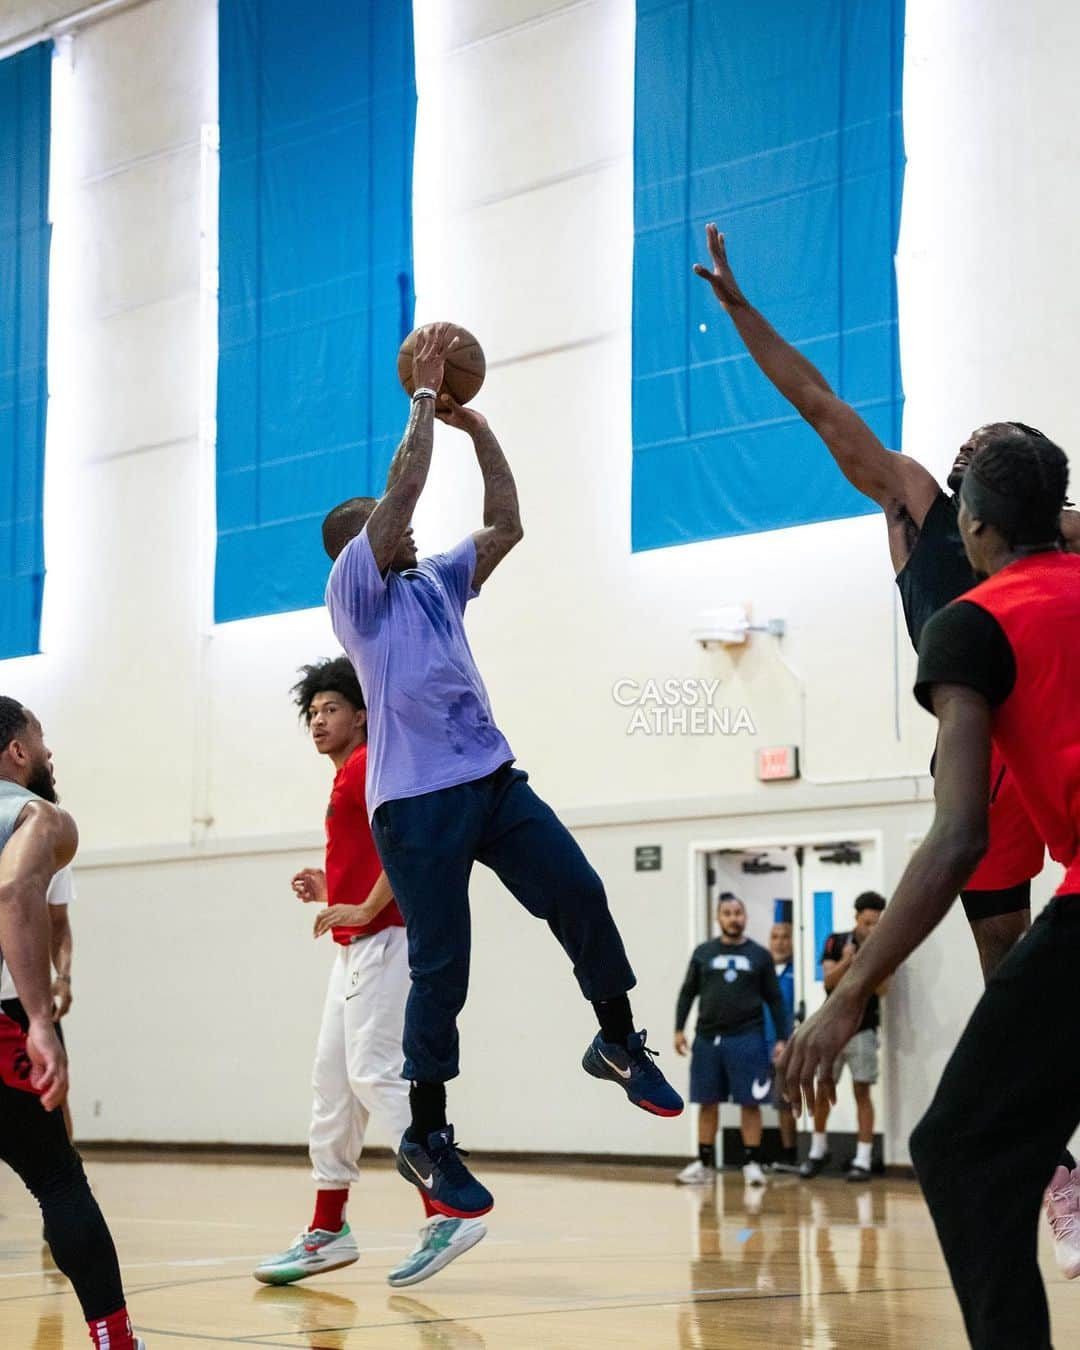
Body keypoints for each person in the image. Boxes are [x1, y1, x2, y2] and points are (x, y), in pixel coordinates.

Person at [693, 223, 1080, 1251]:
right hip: (979, 753)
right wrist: (741, 315)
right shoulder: (918, 501)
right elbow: (822, 407)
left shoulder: (1051, 532)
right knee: (1010, 966)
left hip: (1049, 728)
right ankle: (1058, 1169)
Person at [322, 325, 682, 1220]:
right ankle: (427, 1136)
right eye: (384, 525)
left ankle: (615, 1038)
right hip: (413, 807)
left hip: (489, 781)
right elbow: (403, 490)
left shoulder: (436, 581)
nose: (402, 527)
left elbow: (509, 524)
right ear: (360, 547)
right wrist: (420, 399)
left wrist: (476, 429)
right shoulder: (356, 597)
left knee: (581, 890)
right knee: (444, 969)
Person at [781, 428, 1080, 1348]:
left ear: (978, 523)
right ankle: (1058, 1170)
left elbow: (955, 837)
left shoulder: (977, 619)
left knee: (957, 1148)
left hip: (1043, 849)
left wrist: (847, 991)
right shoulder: (978, 544)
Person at [254, 658, 485, 1288]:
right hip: (354, 947)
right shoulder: (348, 776)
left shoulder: (367, 766)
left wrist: (365, 905)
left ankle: (448, 1208)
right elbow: (375, 859)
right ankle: (327, 1230)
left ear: (361, 715)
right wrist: (335, 889)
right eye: (312, 712)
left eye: (331, 708)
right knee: (332, 1085)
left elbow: (409, 848)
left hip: (386, 941)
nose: (319, 720)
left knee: (373, 1073)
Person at [0, 698, 145, 1350]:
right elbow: (13, 893)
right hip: (4, 1023)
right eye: (41, 736)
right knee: (58, 1180)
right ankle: (115, 1341)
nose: (49, 751)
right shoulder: (36, 815)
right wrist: (38, 1018)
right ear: (17, 751)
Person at [674, 894, 790, 1187]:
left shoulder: (759, 956)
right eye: (727, 913)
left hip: (747, 1038)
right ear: (718, 917)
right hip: (708, 1039)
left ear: (745, 918)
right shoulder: (703, 953)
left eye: (738, 912)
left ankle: (752, 1163)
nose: (733, 918)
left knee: (749, 1103)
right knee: (707, 1102)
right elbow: (688, 993)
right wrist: (679, 1029)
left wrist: (782, 1038)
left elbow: (775, 999)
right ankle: (704, 1164)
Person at [800, 893, 887, 1182]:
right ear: (856, 918)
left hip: (863, 1029)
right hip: (832, 1030)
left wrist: (869, 961)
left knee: (862, 1091)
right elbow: (828, 981)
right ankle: (818, 1150)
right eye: (867, 923)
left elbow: (883, 989)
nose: (872, 929)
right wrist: (849, 961)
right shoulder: (835, 941)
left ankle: (862, 1158)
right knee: (823, 1088)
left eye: (877, 924)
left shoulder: (884, 947)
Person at [0, 864, 76, 1144]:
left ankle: (68, 1180)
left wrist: (64, 976)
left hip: (28, 1001)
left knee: (55, 1095)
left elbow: (59, 922)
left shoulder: (53, 852)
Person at [763, 918, 799, 1173]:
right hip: (760, 1043)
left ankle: (792, 1155)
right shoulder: (761, 972)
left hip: (789, 1046)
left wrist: (787, 1040)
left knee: (787, 1100)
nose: (780, 942)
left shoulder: (800, 973)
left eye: (785, 936)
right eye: (775, 937)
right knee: (770, 1102)